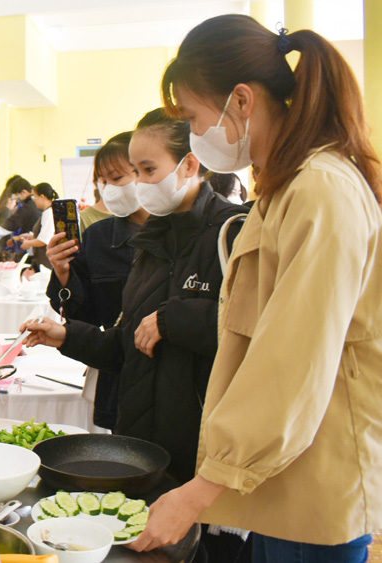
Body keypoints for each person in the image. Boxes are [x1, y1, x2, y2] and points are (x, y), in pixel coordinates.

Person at [126, 16, 382, 562]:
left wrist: (200, 490)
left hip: (314, 486)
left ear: (241, 101)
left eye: (194, 118)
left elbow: (292, 362)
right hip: (274, 478)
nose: (195, 135)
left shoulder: (322, 191)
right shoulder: (285, 188)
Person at [22, 108, 248, 484]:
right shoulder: (151, 241)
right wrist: (67, 336)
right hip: (141, 445)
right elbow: (131, 346)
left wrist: (172, 319)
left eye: (147, 170)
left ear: (189, 164)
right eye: (136, 172)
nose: (140, 184)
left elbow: (256, 328)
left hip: (208, 451)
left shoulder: (233, 232)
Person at [45, 131, 147, 430]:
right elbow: (85, 317)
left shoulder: (176, 235)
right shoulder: (99, 237)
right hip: (115, 373)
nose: (108, 188)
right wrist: (63, 272)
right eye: (101, 180)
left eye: (116, 178)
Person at [18, 182, 58, 269]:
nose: (34, 199)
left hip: (46, 262)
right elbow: (47, 234)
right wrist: (31, 236)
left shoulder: (49, 213)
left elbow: (43, 240)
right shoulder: (48, 212)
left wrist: (28, 243)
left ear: (42, 197)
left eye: (35, 196)